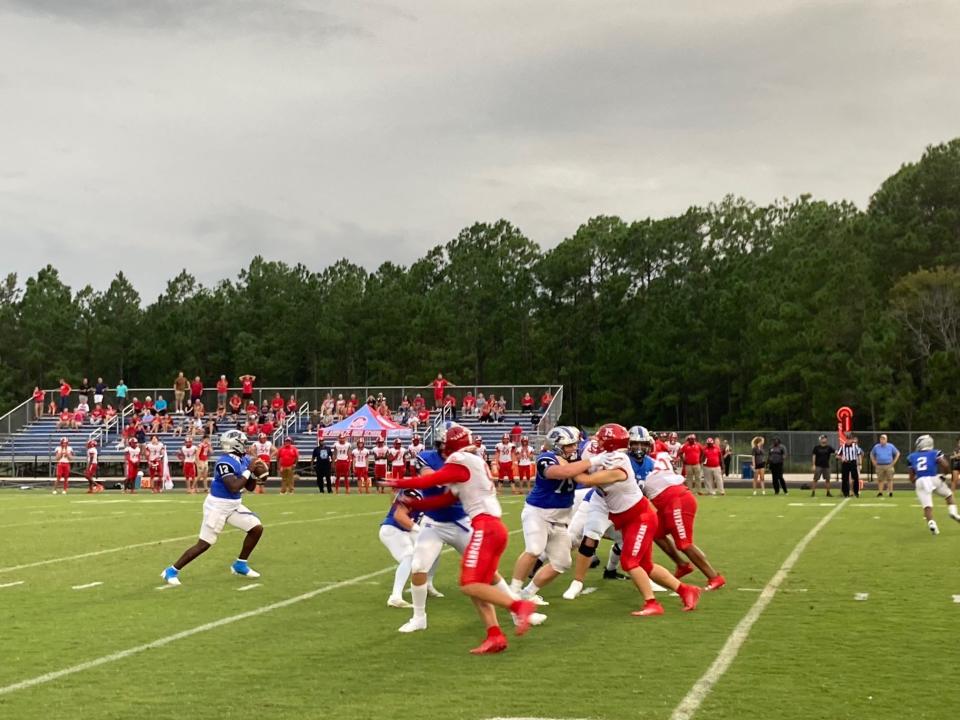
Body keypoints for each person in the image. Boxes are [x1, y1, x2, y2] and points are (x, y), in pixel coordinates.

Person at [382, 423, 541, 654]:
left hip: (482, 527)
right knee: (475, 583)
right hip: (477, 526)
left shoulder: (460, 460)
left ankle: (518, 606)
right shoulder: (471, 461)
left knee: (470, 584)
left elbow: (429, 481)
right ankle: (494, 635)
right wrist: (415, 504)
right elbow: (442, 501)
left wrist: (396, 482)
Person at [571, 423, 701, 616]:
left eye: (601, 440)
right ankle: (686, 590)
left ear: (610, 443)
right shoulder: (612, 457)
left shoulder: (620, 463)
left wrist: (568, 467)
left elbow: (587, 480)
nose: (597, 443)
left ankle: (652, 603)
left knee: (630, 562)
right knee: (646, 566)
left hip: (639, 519)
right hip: (633, 518)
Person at [509, 426, 607, 605]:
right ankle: (512, 593)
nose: (573, 449)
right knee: (534, 549)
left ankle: (527, 593)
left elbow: (584, 477)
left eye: (574, 445)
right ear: (556, 445)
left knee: (561, 563)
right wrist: (593, 461)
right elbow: (562, 472)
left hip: (560, 519)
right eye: (569, 445)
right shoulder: (546, 458)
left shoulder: (575, 459)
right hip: (538, 512)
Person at [161, 429, 266, 586]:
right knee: (204, 544)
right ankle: (171, 570)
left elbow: (249, 487)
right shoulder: (224, 462)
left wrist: (257, 475)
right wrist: (249, 470)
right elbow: (233, 487)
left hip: (234, 505)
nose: (246, 445)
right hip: (217, 506)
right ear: (235, 445)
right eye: (243, 442)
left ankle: (240, 564)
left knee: (256, 528)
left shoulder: (244, 459)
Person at [640, 430, 725, 590]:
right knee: (655, 533)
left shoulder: (645, 461)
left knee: (684, 544)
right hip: (667, 501)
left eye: (641, 444)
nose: (638, 448)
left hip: (676, 500)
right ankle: (682, 564)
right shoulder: (660, 455)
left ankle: (715, 577)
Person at [906, 434, 960, 535]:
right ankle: (953, 512)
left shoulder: (911, 456)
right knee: (948, 495)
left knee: (927, 506)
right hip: (934, 478)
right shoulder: (935, 453)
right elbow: (946, 465)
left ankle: (931, 523)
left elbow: (911, 476)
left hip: (920, 480)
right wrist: (944, 475)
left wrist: (915, 482)